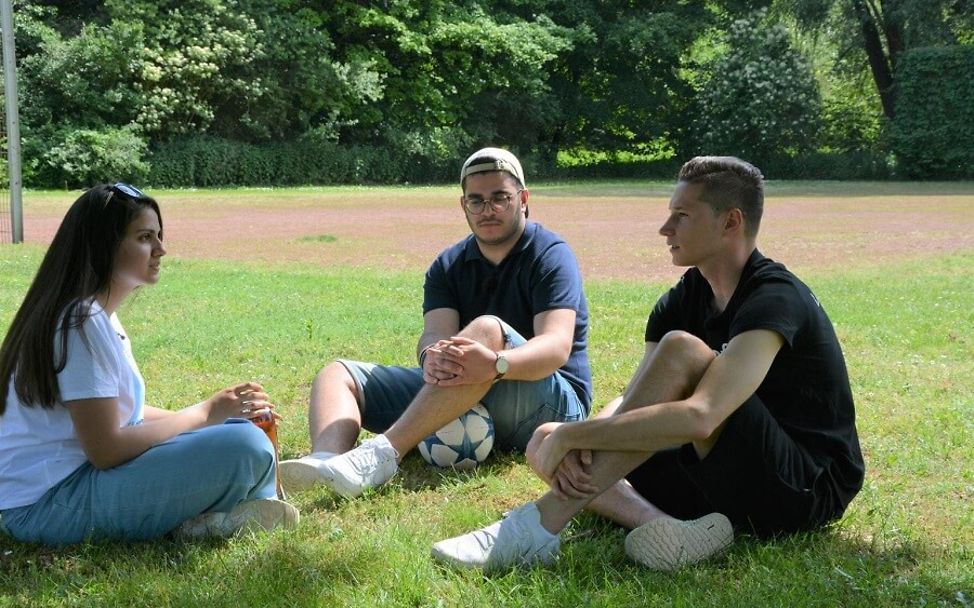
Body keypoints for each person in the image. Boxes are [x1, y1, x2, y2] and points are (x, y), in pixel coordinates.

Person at [431, 156, 865, 572]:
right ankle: (669, 529)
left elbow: (702, 416)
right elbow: (636, 400)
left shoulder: (775, 297)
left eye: (682, 215)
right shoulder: (682, 299)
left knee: (682, 351)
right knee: (544, 439)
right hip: (721, 474)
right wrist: (579, 441)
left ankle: (538, 525)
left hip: (804, 486)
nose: (665, 228)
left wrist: (579, 433)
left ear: (731, 221)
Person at [280, 147, 592, 498]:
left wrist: (495, 364)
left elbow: (556, 347)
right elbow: (434, 336)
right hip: (466, 385)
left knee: (487, 329)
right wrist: (433, 358)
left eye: (500, 198)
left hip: (549, 403)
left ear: (523, 199)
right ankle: (328, 463)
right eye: (476, 201)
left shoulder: (550, 255)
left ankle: (382, 454)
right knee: (337, 373)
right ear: (463, 206)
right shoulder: (448, 264)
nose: (487, 210)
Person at [0, 183, 299, 546]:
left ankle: (212, 516)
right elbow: (106, 449)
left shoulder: (93, 315)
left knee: (237, 429)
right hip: (44, 507)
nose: (161, 249)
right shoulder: (80, 321)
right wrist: (203, 414)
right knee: (244, 445)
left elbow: (125, 415)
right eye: (145, 237)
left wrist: (218, 414)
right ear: (103, 244)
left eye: (158, 236)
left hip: (69, 488)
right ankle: (213, 518)